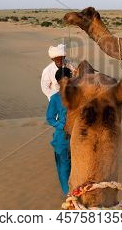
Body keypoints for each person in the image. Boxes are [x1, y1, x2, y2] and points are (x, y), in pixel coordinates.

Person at [46, 67, 72, 195]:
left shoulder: (76, 96)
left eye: (67, 80)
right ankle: (68, 194)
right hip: (62, 138)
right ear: (58, 82)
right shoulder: (55, 99)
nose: (65, 84)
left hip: (77, 137)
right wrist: (62, 125)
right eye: (62, 81)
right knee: (64, 167)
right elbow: (50, 118)